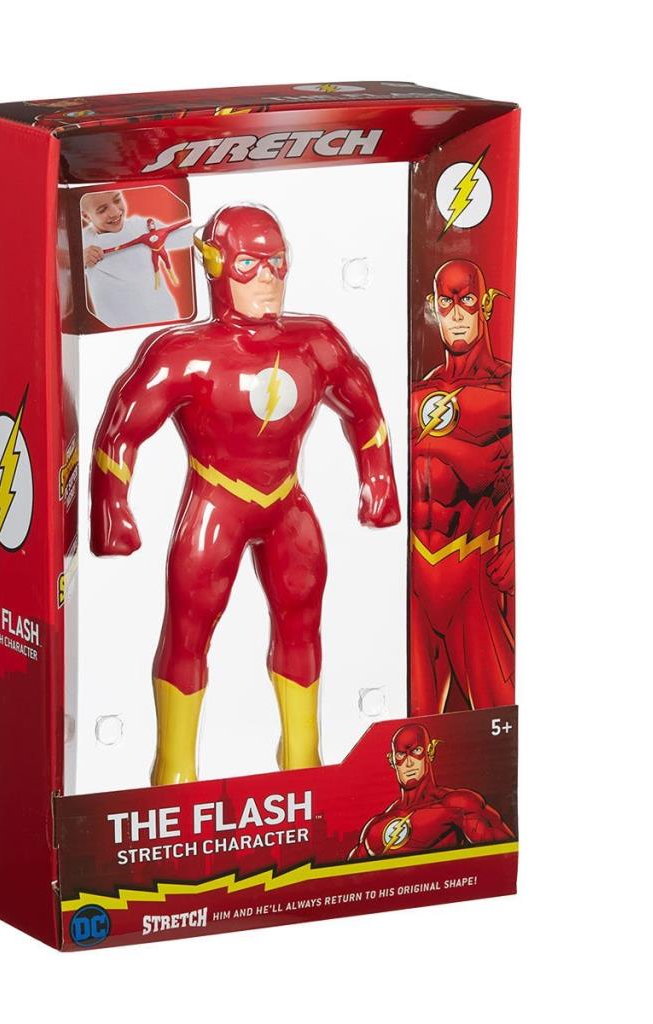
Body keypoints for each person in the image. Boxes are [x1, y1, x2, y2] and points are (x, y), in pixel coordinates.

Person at [90, 204, 400, 785]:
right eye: (249, 264)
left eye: (278, 262)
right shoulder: (185, 352)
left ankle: (303, 760)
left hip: (287, 503)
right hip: (217, 502)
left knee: (302, 623)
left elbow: (364, 407)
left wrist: (378, 478)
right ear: (215, 266)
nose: (268, 278)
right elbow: (123, 428)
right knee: (188, 631)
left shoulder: (315, 340)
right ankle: (175, 770)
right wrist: (112, 507)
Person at [409, 259, 514, 714]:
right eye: (446, 303)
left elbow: (490, 472)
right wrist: (459, 449)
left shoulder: (507, 386)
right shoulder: (421, 388)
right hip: (416, 577)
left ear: (484, 306)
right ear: (433, 306)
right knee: (414, 720)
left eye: (466, 300)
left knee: (499, 715)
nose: (455, 315)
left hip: (471, 568)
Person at [349, 723, 513, 859]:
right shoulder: (375, 827)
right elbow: (350, 879)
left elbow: (505, 857)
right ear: (392, 760)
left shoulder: (457, 804)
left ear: (430, 752)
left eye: (416, 751)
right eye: (401, 755)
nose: (409, 763)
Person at [81, 190, 192, 327]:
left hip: (164, 317)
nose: (115, 212)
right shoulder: (82, 241)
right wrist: (80, 259)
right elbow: (62, 275)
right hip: (117, 327)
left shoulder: (143, 226)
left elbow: (184, 237)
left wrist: (209, 228)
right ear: (86, 216)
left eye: (117, 200)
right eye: (102, 210)